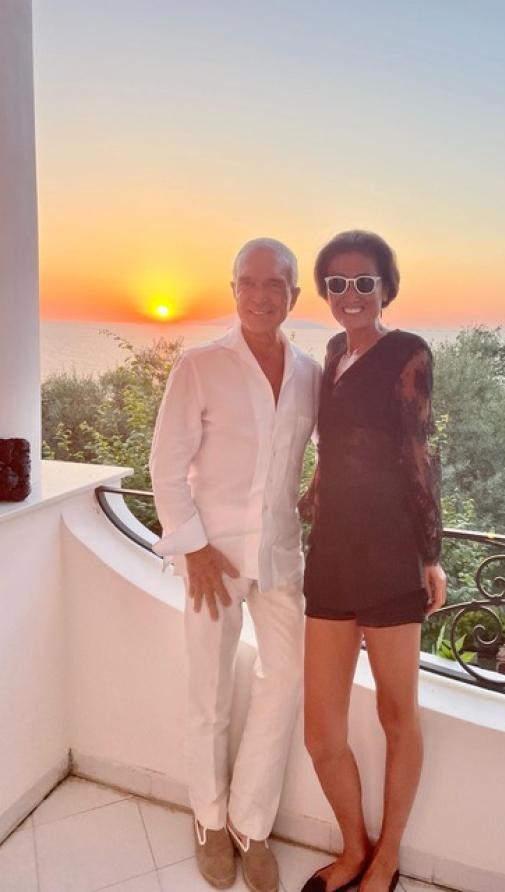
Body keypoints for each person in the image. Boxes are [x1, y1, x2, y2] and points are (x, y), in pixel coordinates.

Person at [149, 238, 321, 892]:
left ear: (293, 295)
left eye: (275, 284)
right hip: (212, 558)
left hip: (279, 557)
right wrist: (192, 549)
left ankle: (252, 823)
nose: (260, 296)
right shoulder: (200, 366)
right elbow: (166, 466)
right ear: (233, 289)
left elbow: (333, 447)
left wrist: (322, 487)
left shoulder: (309, 373)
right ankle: (209, 819)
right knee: (210, 692)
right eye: (248, 282)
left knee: (286, 680)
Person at [299, 231, 446, 892]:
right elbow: (335, 451)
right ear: (325, 291)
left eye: (364, 282)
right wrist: (305, 501)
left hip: (390, 553)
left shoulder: (408, 352)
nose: (350, 294)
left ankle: (387, 857)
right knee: (320, 731)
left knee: (396, 717)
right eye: (337, 283)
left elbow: (418, 452)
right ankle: (354, 847)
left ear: (386, 288)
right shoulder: (333, 353)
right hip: (330, 553)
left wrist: (430, 554)